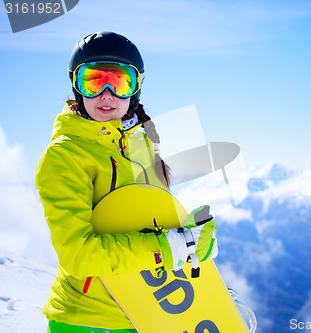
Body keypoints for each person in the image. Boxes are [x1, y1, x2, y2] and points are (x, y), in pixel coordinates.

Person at [36, 31, 217, 333]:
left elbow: (147, 220)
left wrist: (190, 240)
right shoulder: (64, 155)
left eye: (119, 82)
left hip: (144, 311)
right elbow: (78, 256)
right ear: (76, 88)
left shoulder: (141, 143)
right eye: (93, 81)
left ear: (135, 90)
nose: (106, 94)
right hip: (86, 320)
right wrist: (167, 249)